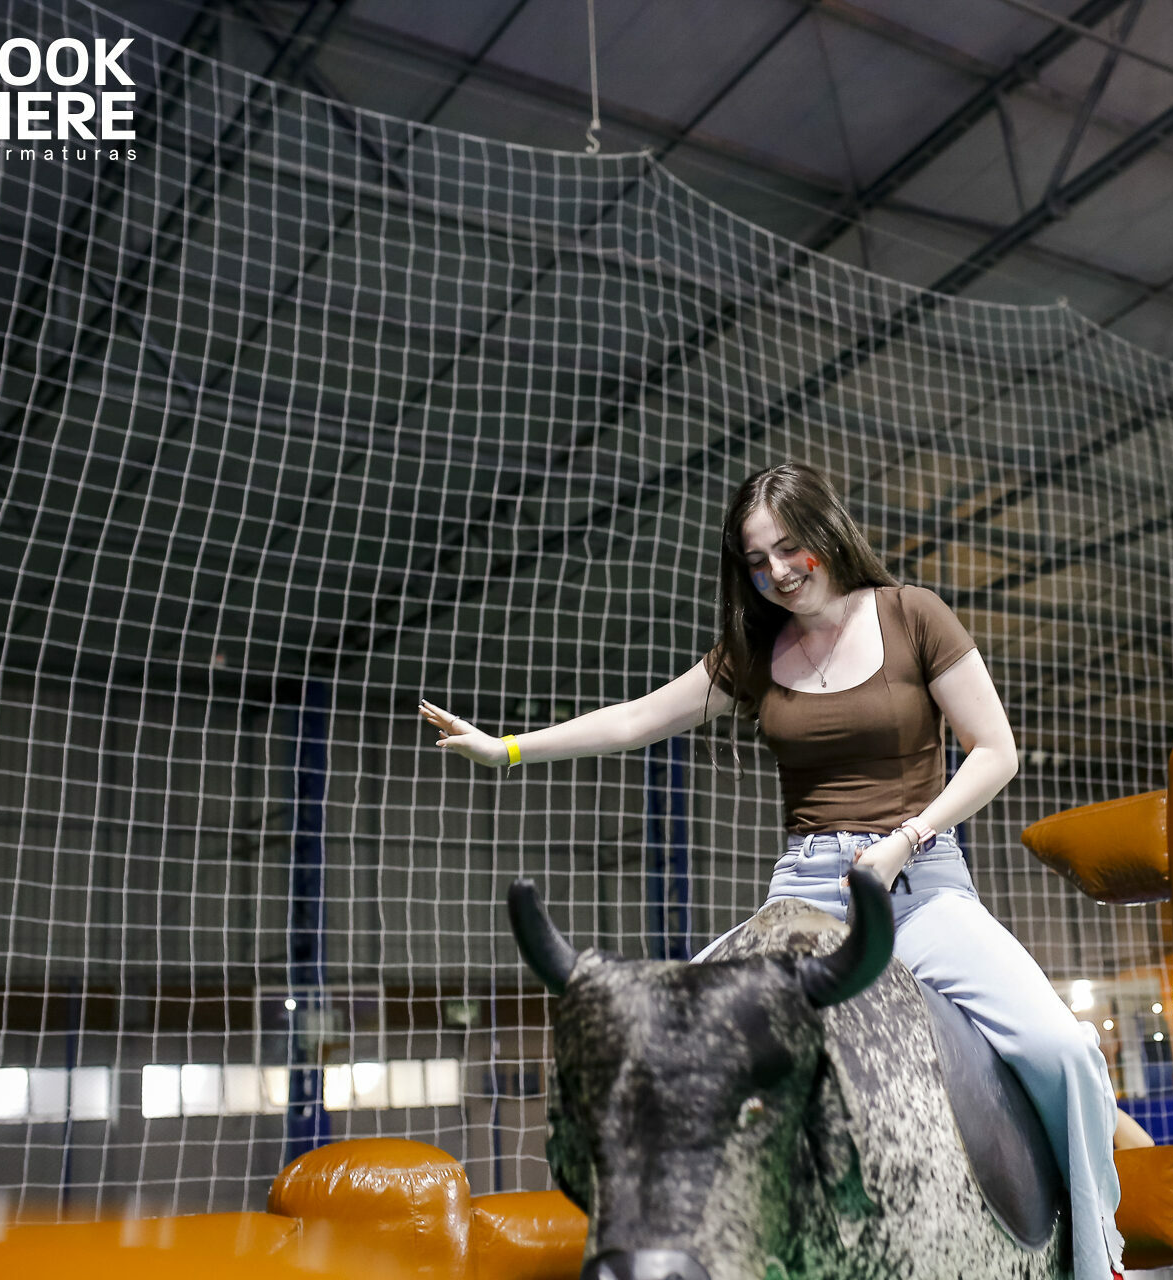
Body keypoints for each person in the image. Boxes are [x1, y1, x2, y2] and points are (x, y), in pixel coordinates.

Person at [420, 461, 1126, 1278]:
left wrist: (908, 837)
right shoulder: (756, 651)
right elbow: (635, 720)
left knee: (1060, 1050)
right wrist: (505, 749)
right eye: (757, 560)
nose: (779, 572)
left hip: (919, 890)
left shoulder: (913, 615)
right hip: (803, 895)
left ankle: (1097, 1256)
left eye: (791, 548)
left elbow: (995, 752)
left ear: (827, 532)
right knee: (662, 1041)